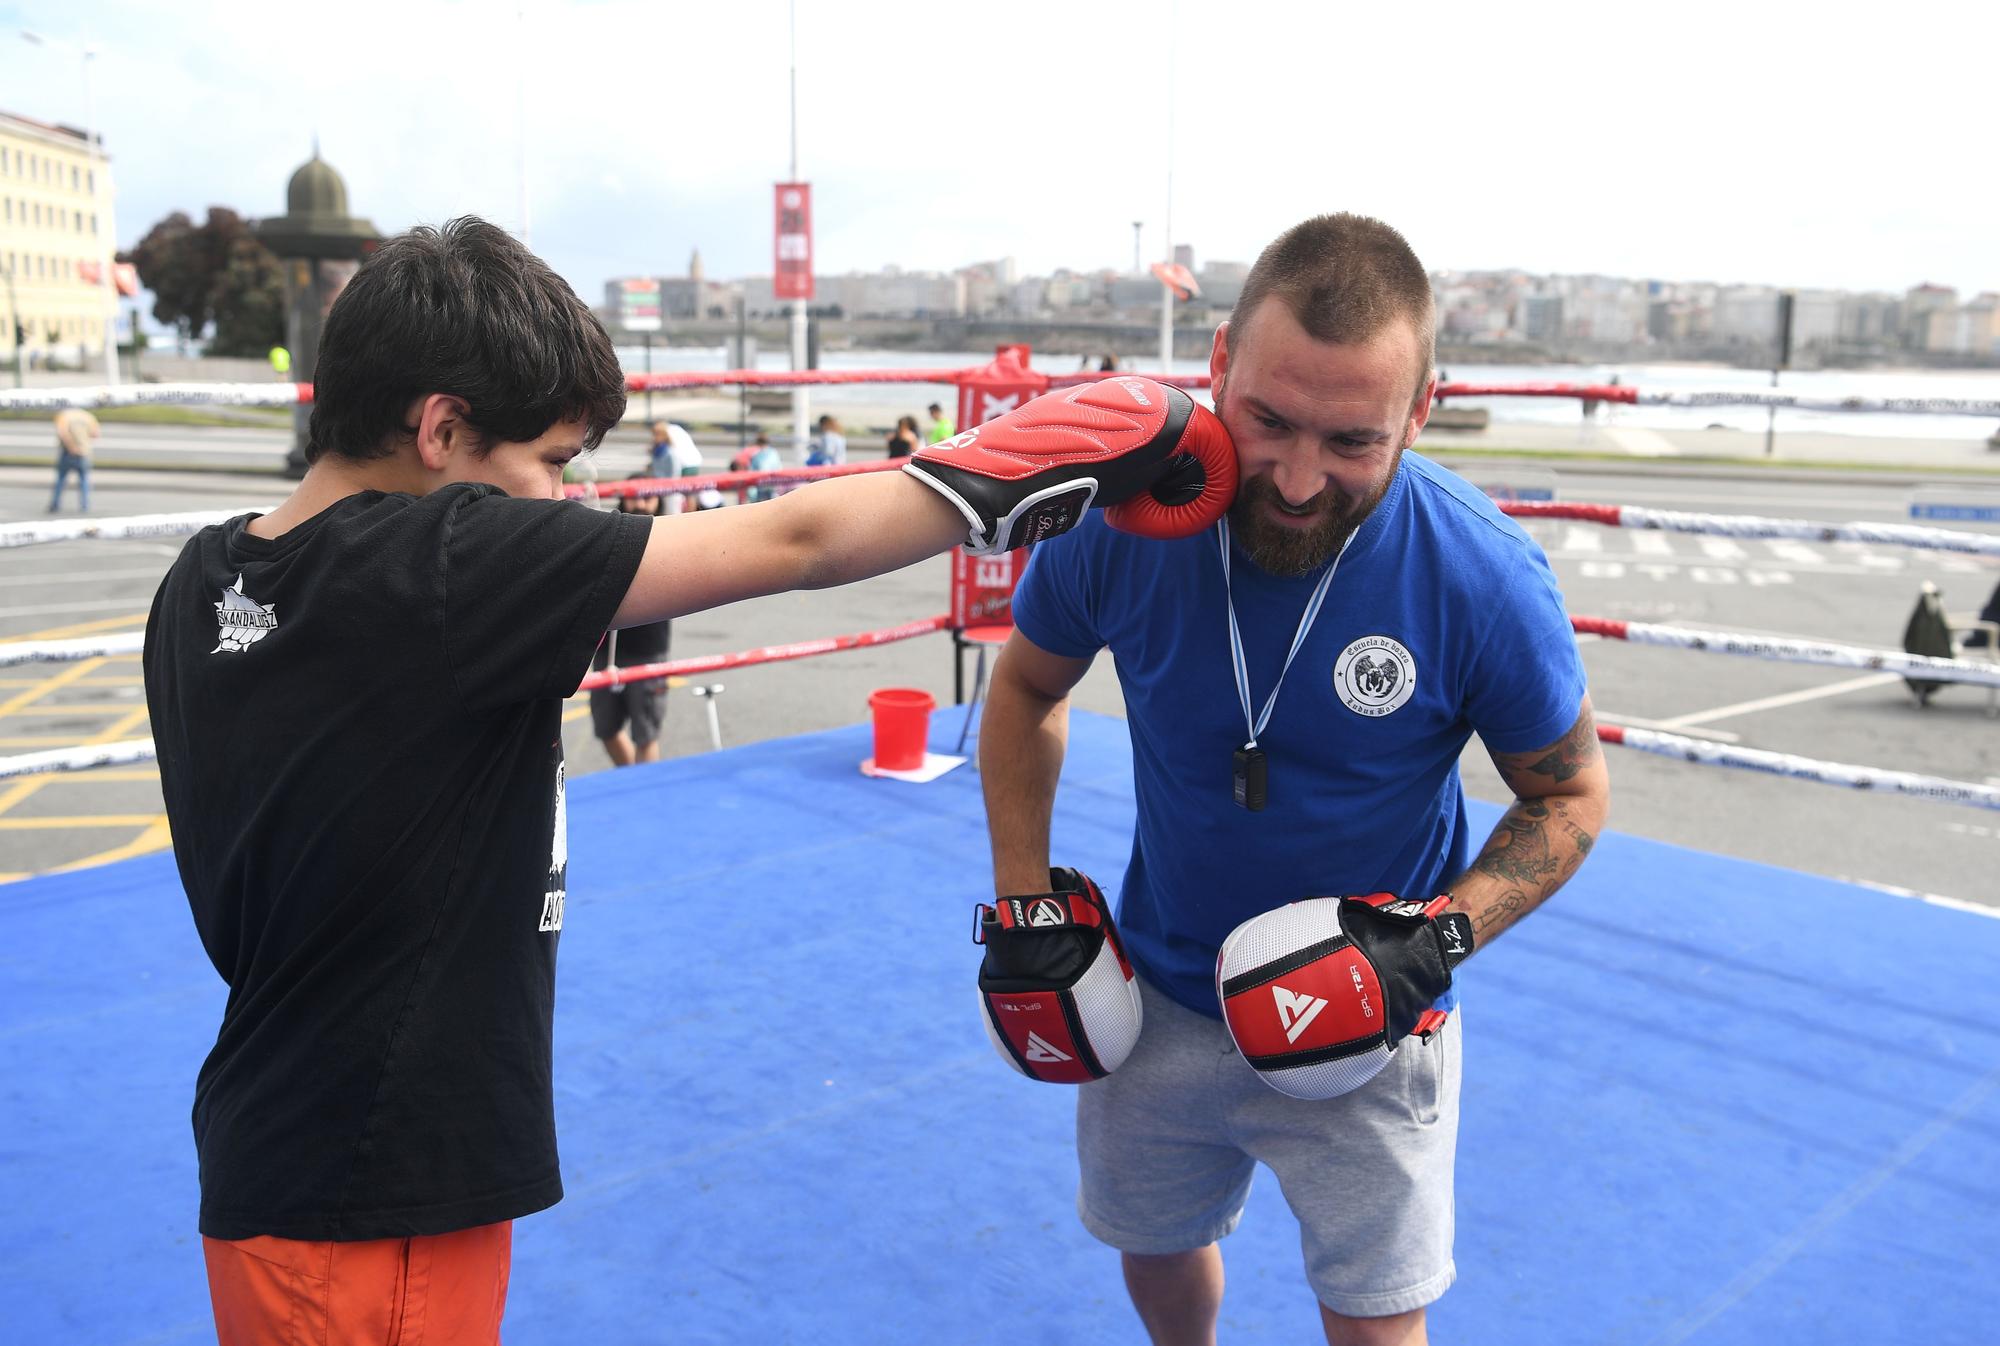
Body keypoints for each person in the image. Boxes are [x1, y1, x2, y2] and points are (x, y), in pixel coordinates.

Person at [142, 215, 1224, 1345]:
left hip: (281, 1141)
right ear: (441, 428)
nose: (559, 504)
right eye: (549, 468)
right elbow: (797, 540)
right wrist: (1056, 444)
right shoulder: (438, 564)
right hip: (376, 1187)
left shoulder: (205, 579)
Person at [978, 212, 1611, 1346]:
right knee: (1158, 1257)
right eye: (1267, 420)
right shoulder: (1124, 523)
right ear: (1218, 360)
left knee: (1373, 1327)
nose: (1300, 477)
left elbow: (1567, 795)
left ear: (1421, 411)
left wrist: (1437, 941)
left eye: (1352, 440)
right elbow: (1023, 688)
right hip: (1156, 995)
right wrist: (1025, 892)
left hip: (1374, 1026)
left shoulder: (1478, 574)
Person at [590, 481, 675, 765]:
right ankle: (630, 779)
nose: (640, 503)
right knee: (606, 728)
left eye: (648, 497)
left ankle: (644, 798)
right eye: (634, 497)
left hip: (648, 649)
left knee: (646, 732)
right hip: (606, 649)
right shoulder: (609, 534)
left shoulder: (670, 536)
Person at [49, 405, 99, 513]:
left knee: (61, 479)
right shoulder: (88, 416)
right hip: (83, 451)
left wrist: (71, 447)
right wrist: (83, 441)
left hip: (67, 452)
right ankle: (84, 505)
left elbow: (62, 433)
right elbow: (95, 434)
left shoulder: (64, 416)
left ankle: (55, 504)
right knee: (84, 480)